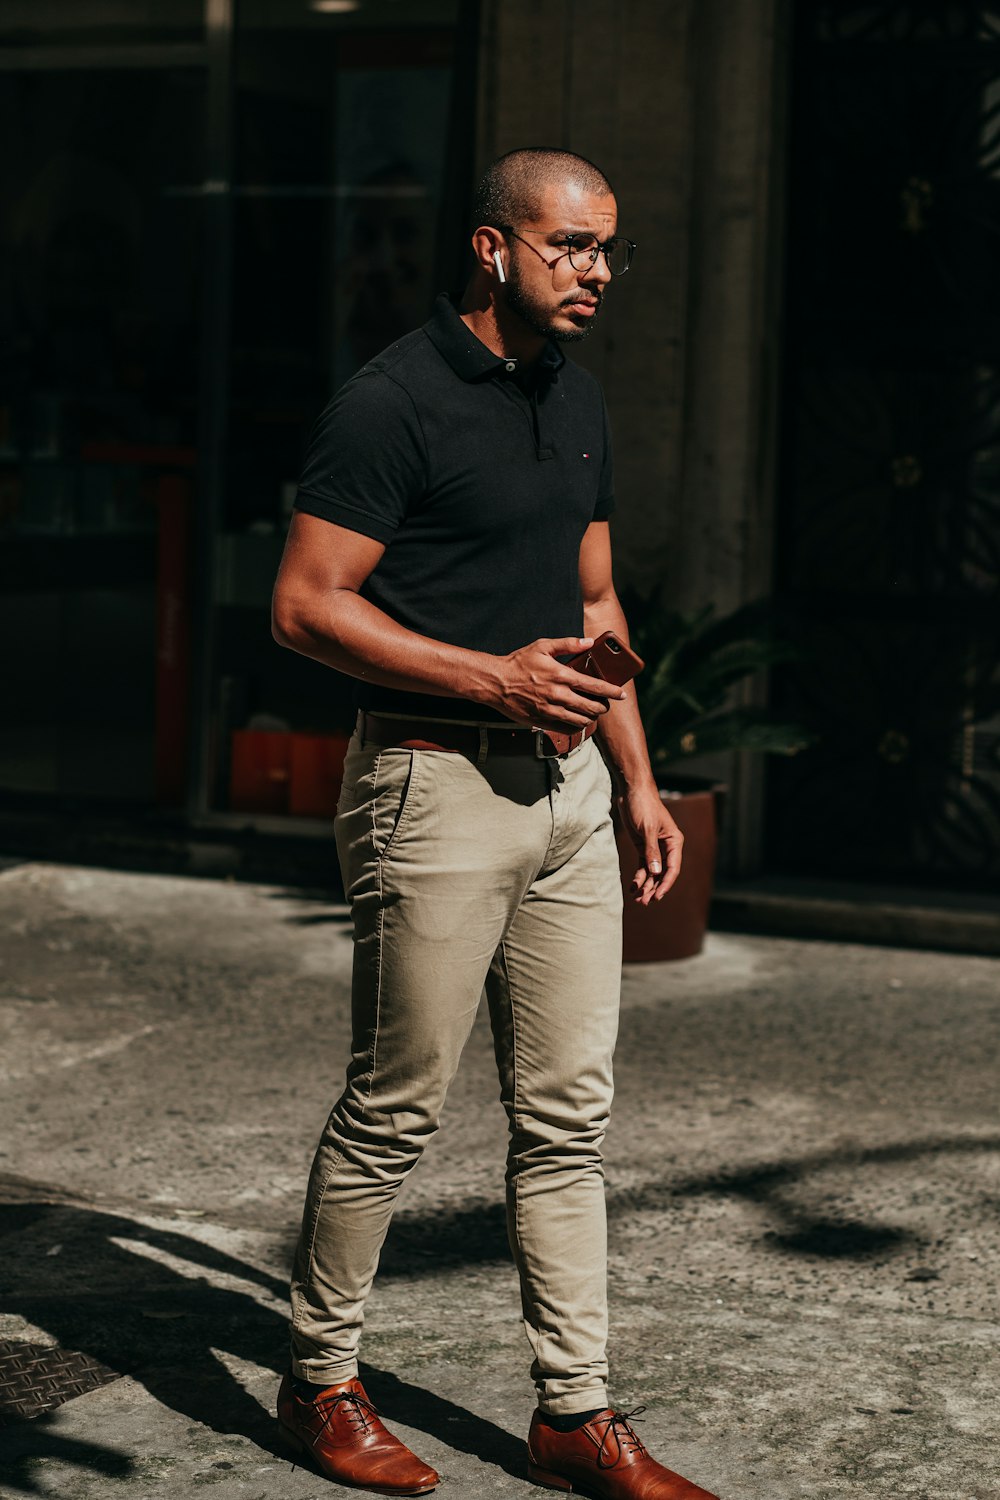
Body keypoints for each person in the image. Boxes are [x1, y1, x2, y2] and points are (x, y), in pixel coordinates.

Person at [271, 148, 720, 1500]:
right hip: (434, 786)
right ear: (491, 247)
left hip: (572, 796)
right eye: (568, 247)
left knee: (570, 1116)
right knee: (395, 1109)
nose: (593, 274)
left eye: (606, 250)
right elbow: (304, 605)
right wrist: (492, 680)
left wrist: (637, 779)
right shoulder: (391, 402)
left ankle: (574, 1412)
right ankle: (320, 1381)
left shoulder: (575, 398)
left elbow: (596, 610)